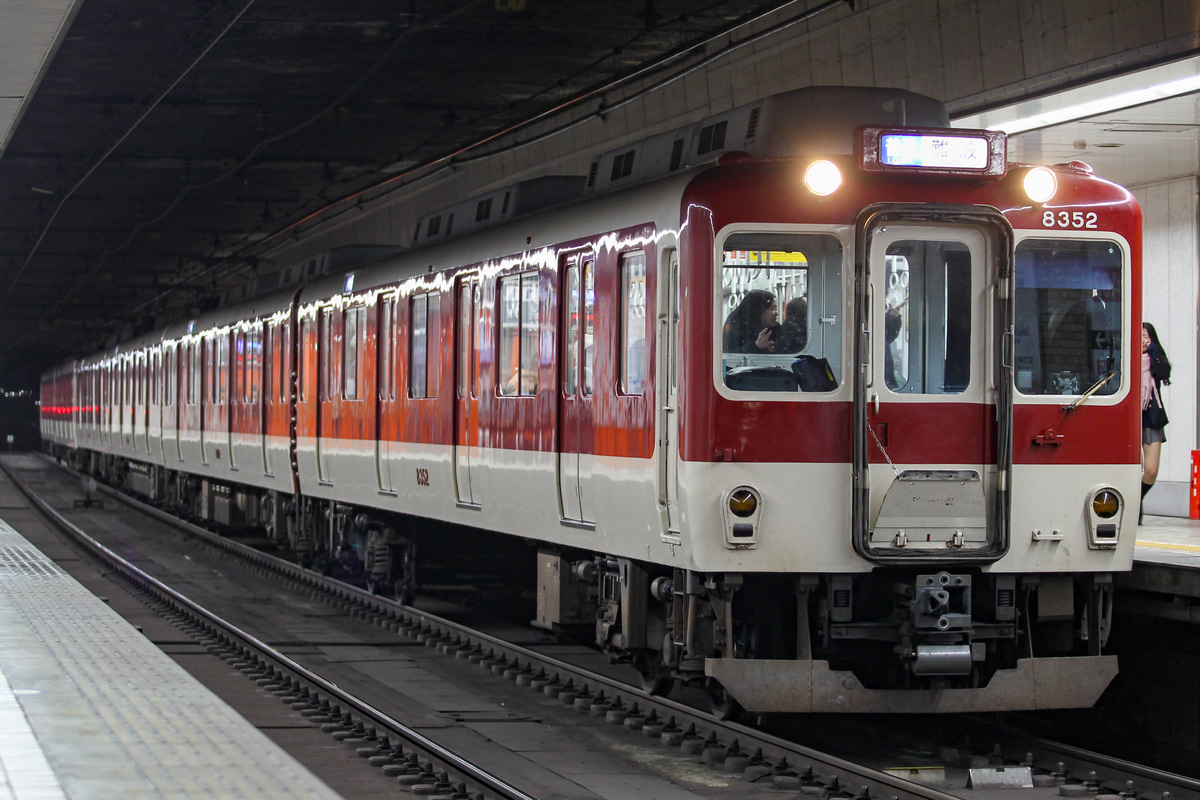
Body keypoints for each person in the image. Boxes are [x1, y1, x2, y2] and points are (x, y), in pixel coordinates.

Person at [1140, 322, 1171, 523]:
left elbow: (1164, 373)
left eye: (1147, 336)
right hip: (1128, 415)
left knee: (1150, 470)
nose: (1144, 339)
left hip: (1150, 414)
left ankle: (1137, 498)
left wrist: (1152, 350)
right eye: (1141, 336)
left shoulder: (1155, 359)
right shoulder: (1126, 358)